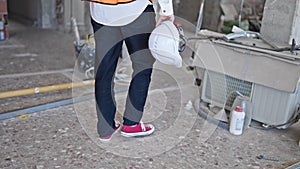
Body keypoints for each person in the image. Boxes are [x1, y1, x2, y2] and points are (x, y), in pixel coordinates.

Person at [88, 0, 175, 142]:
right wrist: (166, 10)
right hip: (137, 10)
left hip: (101, 11)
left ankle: (105, 128)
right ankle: (131, 123)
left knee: (104, 70)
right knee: (143, 66)